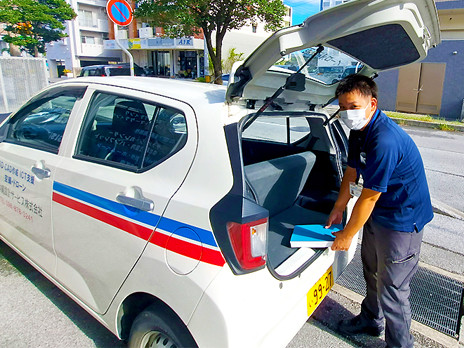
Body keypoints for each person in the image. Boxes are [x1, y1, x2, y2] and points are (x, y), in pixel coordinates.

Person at [325, 74, 433, 348]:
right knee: (372, 269)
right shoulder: (358, 132)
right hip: (380, 212)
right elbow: (351, 172)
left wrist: (347, 235)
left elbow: (369, 197)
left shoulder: (384, 139)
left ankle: (400, 345)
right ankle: (372, 319)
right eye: (343, 107)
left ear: (372, 104)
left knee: (394, 289)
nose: (348, 114)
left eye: (353, 106)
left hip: (402, 218)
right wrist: (339, 206)